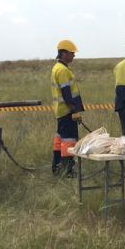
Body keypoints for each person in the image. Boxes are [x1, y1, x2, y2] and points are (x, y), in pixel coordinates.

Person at [51, 39, 85, 177]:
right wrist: (74, 110)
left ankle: (57, 167)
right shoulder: (63, 70)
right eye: (72, 53)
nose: (74, 56)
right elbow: (67, 93)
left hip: (60, 111)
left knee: (60, 140)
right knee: (69, 140)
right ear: (64, 53)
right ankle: (68, 170)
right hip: (67, 111)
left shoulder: (57, 67)